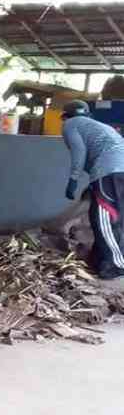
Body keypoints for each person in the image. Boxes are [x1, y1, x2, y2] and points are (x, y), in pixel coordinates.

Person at [61, 100, 124, 280]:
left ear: (65, 116)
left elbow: (79, 153)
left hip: (110, 171)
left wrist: (73, 179)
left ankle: (116, 264)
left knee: (103, 217)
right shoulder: (101, 126)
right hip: (117, 169)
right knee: (117, 217)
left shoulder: (70, 125)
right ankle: (99, 258)